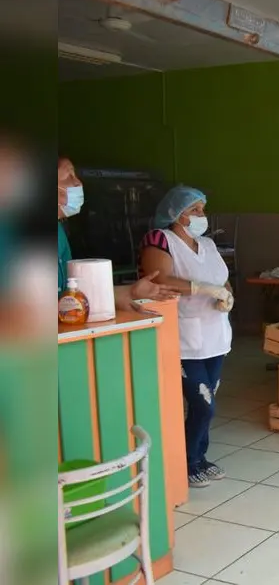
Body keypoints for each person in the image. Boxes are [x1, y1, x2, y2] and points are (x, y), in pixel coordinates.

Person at [140, 185, 234, 489]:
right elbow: (160, 279)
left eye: (202, 210)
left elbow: (224, 280)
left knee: (206, 403)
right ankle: (187, 461)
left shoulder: (207, 244)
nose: (201, 216)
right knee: (203, 403)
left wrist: (226, 296)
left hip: (216, 336)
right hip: (184, 339)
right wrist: (201, 289)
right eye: (195, 210)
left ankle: (199, 457)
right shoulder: (160, 241)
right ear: (176, 214)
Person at [57, 157, 180, 308]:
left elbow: (68, 296)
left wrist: (130, 292)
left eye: (75, 175)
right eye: (68, 176)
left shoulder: (59, 232)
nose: (78, 183)